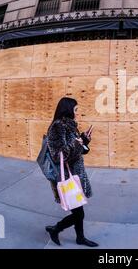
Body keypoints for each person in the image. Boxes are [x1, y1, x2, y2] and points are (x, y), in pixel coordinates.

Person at [45, 97, 98, 247]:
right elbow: (58, 155)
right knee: (79, 213)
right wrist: (77, 143)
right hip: (68, 176)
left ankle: (78, 237)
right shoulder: (57, 127)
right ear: (67, 110)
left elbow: (77, 151)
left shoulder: (70, 126)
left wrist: (84, 141)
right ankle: (56, 229)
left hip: (76, 174)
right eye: (75, 110)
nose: (78, 113)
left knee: (78, 212)